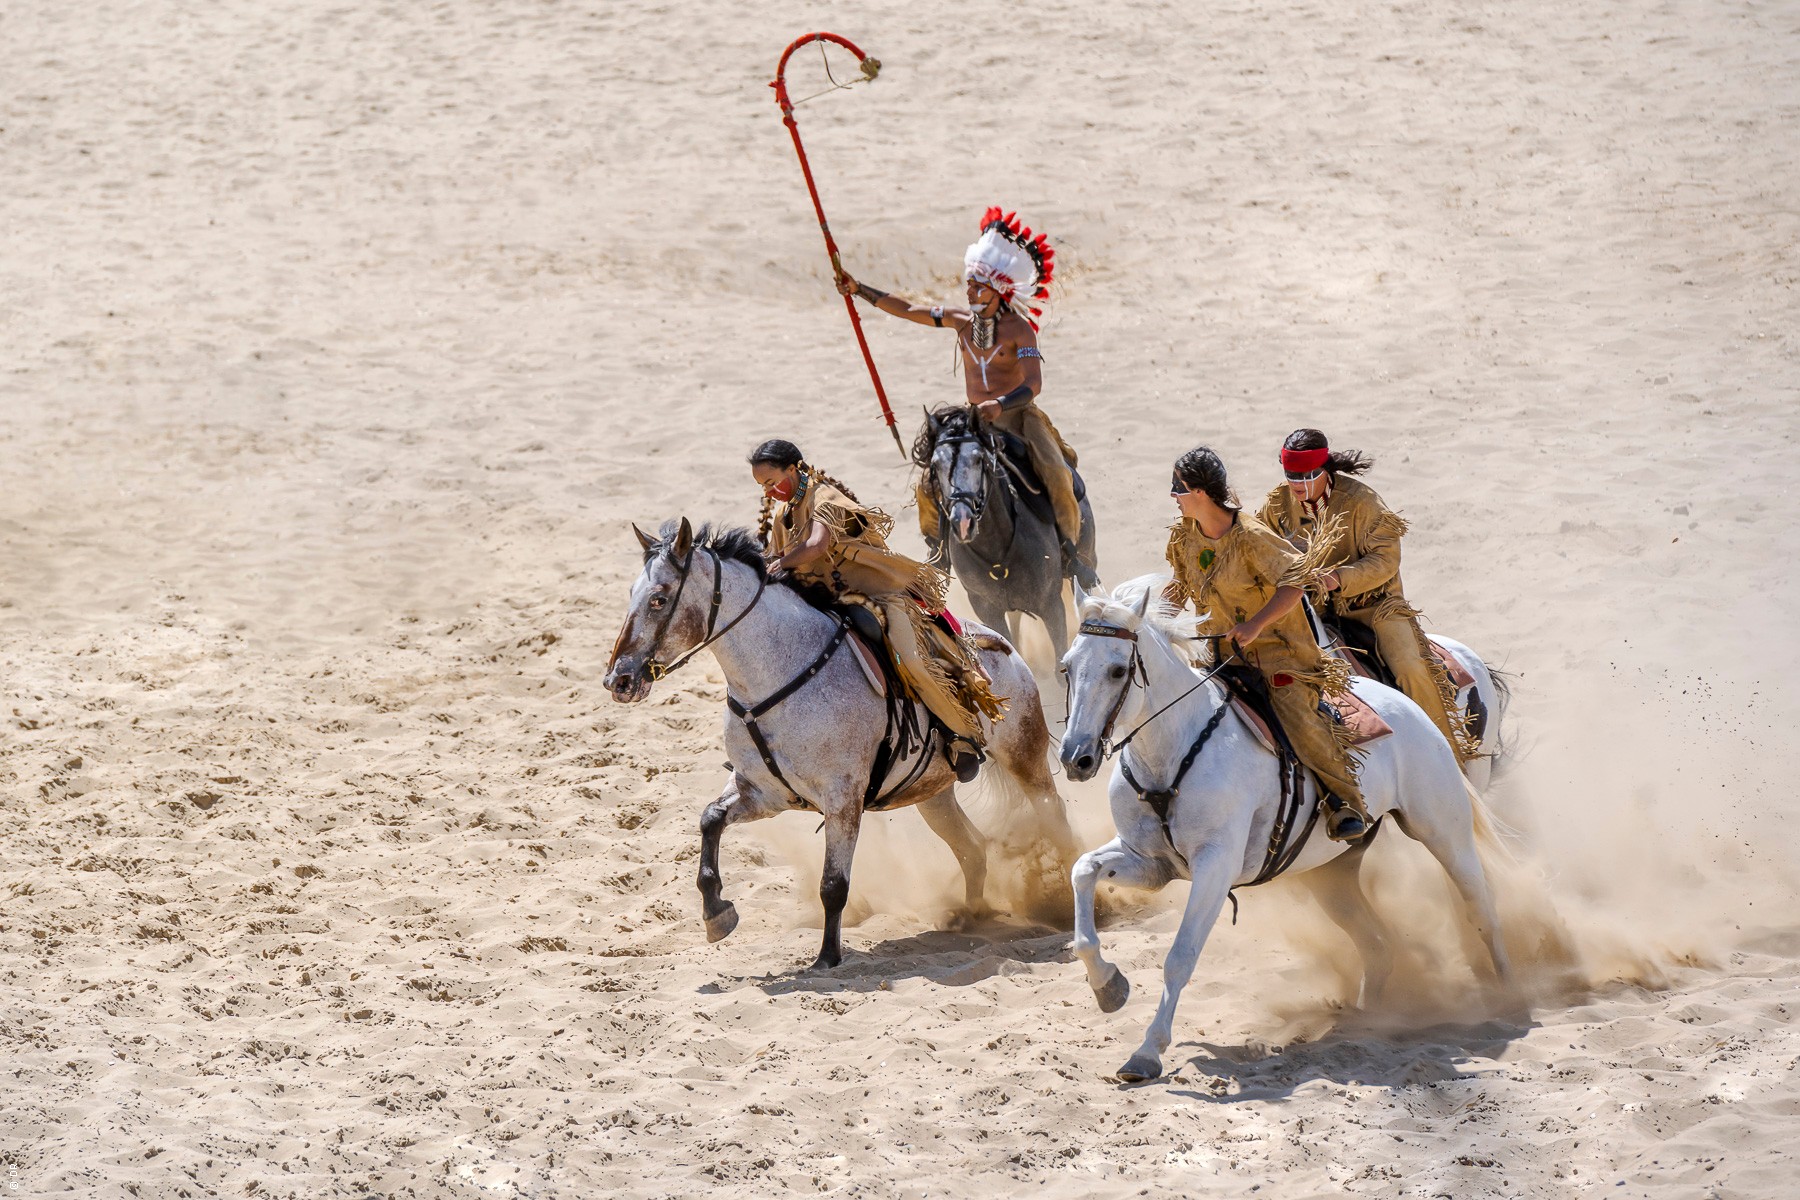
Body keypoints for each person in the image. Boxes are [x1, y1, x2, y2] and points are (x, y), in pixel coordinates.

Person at [834, 208, 1094, 584]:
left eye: (978, 286)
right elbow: (909, 309)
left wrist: (1001, 405)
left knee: (1055, 471)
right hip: (974, 422)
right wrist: (860, 290)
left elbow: (1033, 384)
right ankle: (938, 550)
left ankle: (1070, 553)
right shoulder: (960, 322)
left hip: (1018, 419)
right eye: (969, 284)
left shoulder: (1021, 331)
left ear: (998, 289)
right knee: (929, 480)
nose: (969, 290)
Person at [748, 439, 1003, 781]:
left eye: (770, 482)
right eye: (761, 486)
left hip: (880, 596)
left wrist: (779, 562)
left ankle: (963, 736)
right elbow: (779, 564)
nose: (768, 491)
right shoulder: (783, 515)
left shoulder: (824, 498)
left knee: (908, 660)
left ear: (793, 468)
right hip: (824, 603)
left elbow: (817, 545)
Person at [1162, 446, 1371, 841]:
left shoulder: (1254, 538)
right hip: (1218, 657)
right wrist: (1156, 623)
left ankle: (1345, 801)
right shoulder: (1184, 537)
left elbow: (1297, 582)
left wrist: (1257, 624)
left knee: (1297, 715)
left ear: (1200, 492)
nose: (1173, 496)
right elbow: (1178, 586)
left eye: (1178, 488)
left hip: (1279, 656)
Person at [1257, 429, 1479, 763]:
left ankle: (1447, 757)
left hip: (1375, 607)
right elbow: (1261, 547)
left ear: (1326, 470)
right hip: (1309, 609)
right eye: (1291, 475)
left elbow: (1386, 560)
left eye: (1308, 475)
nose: (1298, 484)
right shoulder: (1276, 503)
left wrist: (1337, 578)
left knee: (1409, 668)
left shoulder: (1363, 502)